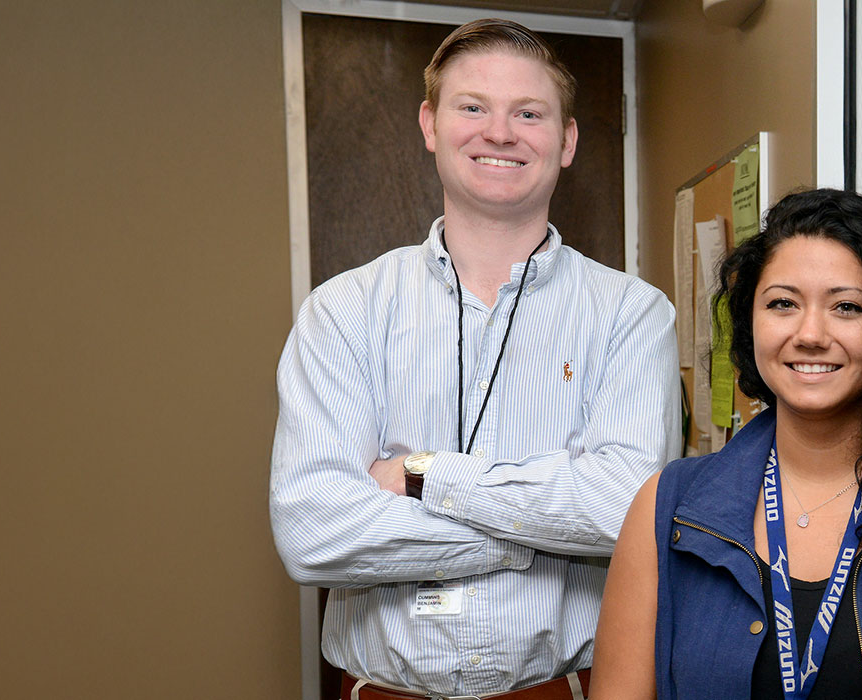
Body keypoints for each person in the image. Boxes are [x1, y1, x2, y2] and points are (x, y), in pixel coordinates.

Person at [269, 18, 681, 699]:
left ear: (567, 139)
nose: (500, 132)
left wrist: (425, 476)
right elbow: (312, 531)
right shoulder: (344, 311)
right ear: (431, 125)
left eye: (529, 113)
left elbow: (621, 511)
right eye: (473, 108)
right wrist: (538, 536)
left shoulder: (631, 316)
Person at [589, 189, 862, 699]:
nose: (811, 333)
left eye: (847, 307)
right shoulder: (667, 509)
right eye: (783, 303)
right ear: (750, 322)